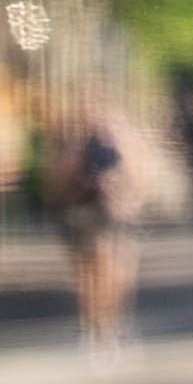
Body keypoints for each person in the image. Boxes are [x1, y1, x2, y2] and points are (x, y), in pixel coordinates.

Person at [46, 105, 131, 357]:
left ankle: (96, 327)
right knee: (97, 274)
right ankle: (100, 326)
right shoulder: (102, 152)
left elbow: (55, 189)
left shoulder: (75, 152)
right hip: (92, 217)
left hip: (89, 216)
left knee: (93, 274)